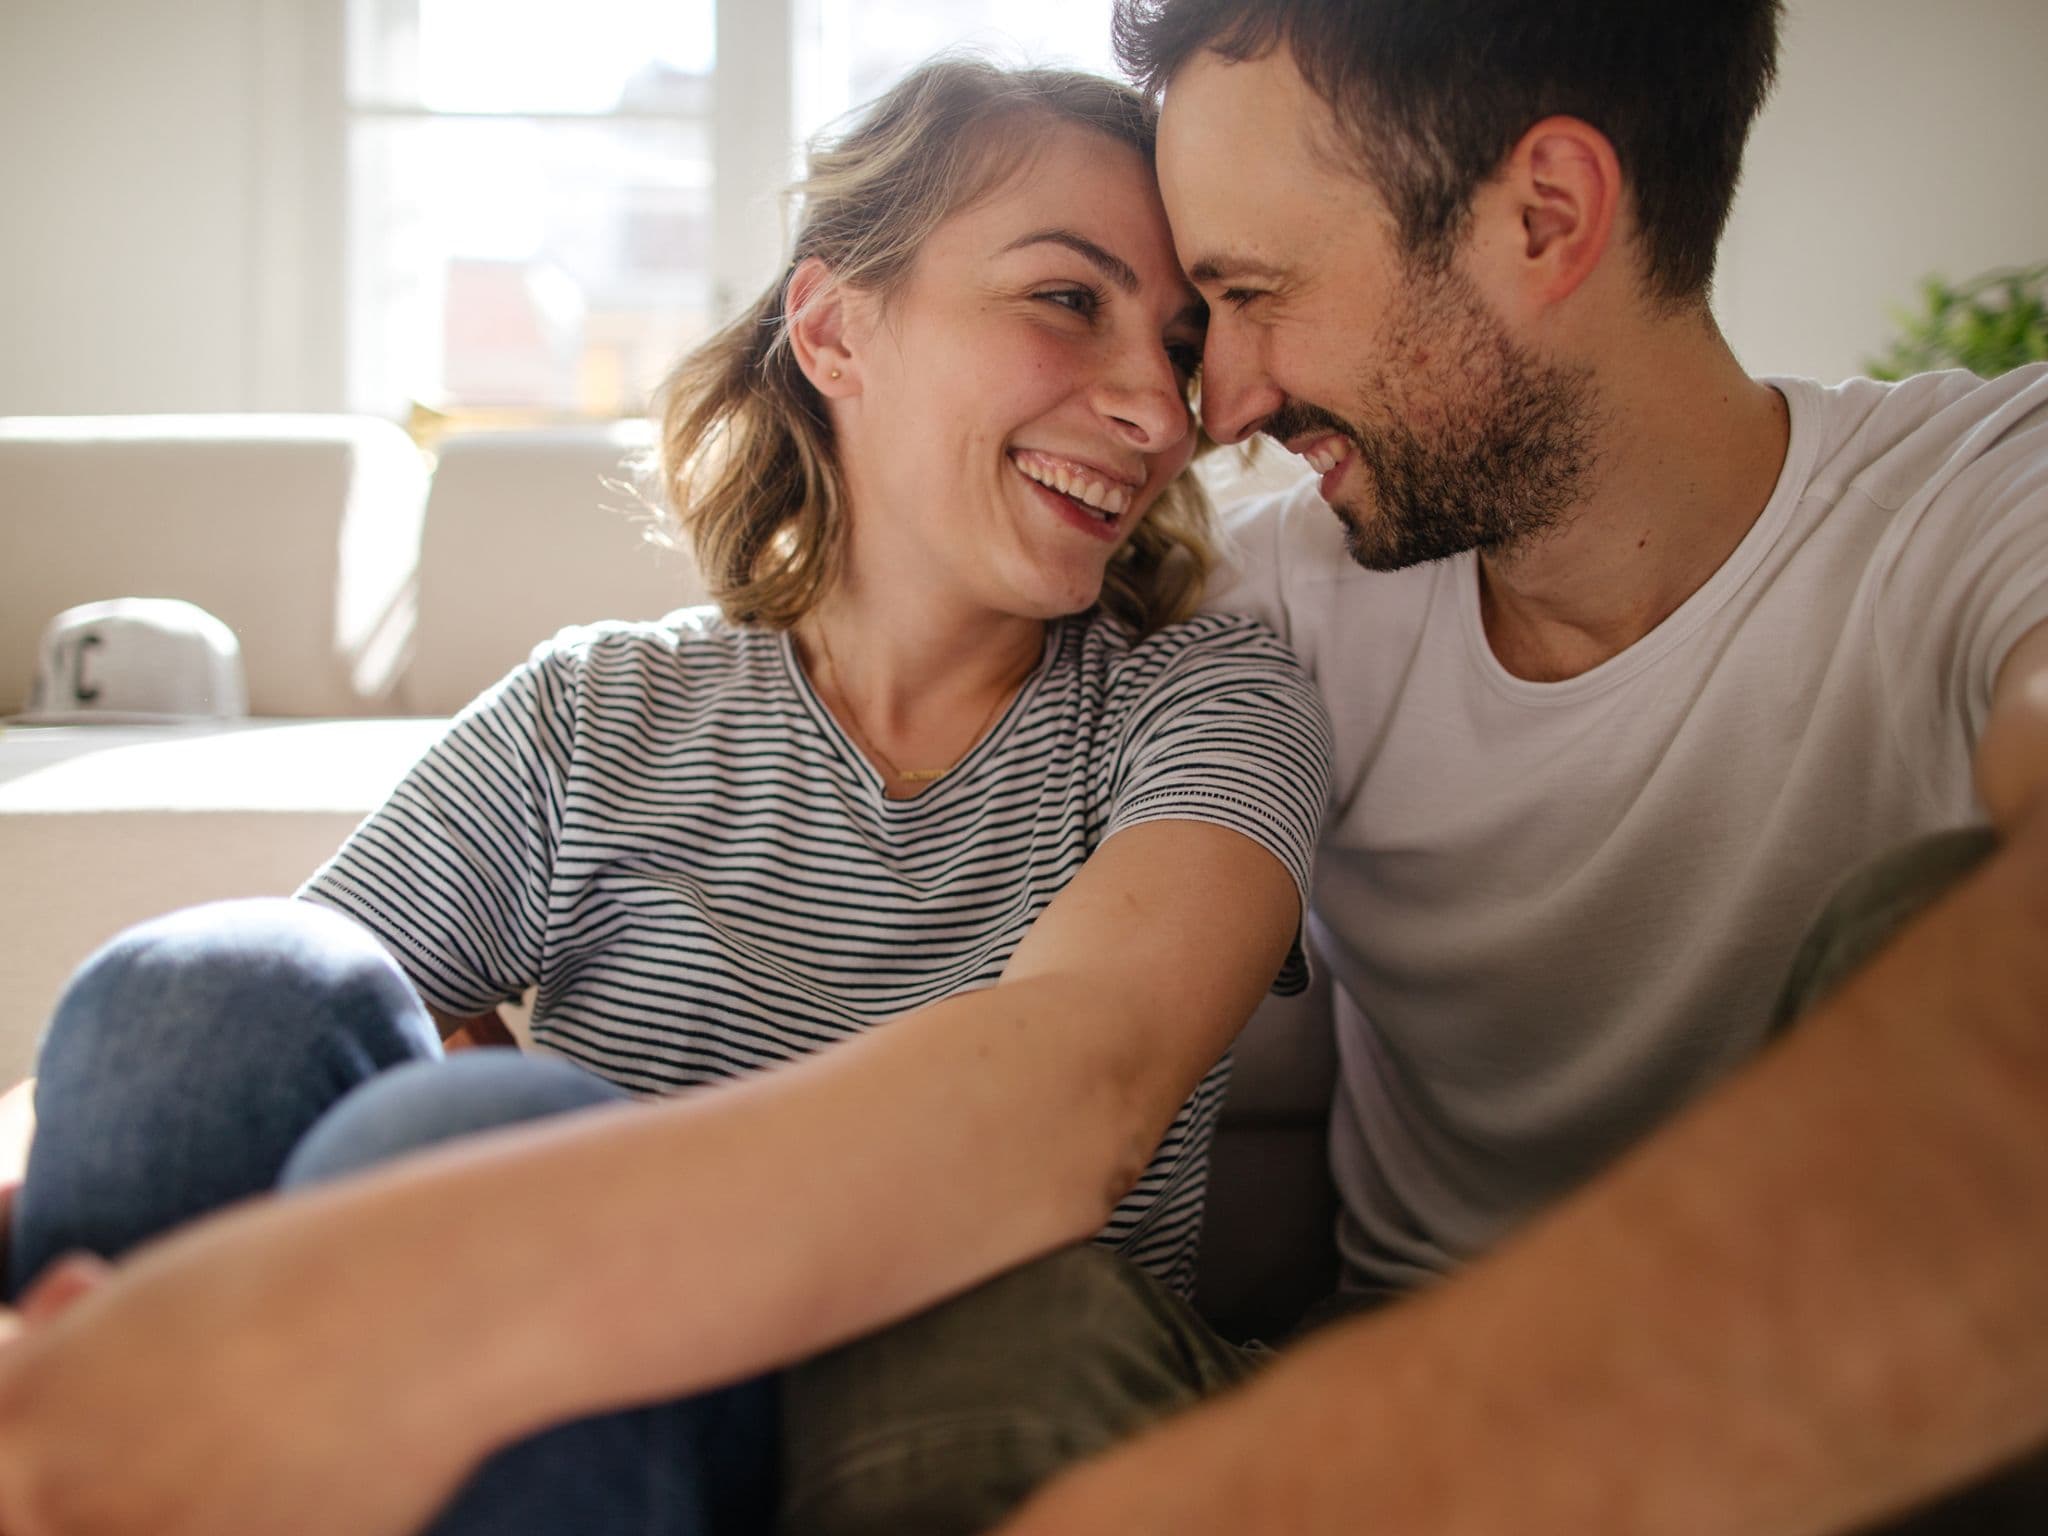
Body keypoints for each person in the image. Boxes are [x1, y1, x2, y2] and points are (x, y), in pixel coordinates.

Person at [0, 59, 1331, 1535]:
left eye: (1185, 340)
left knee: (455, 1142)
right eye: (1068, 299)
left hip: (916, 1407)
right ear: (834, 329)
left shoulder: (1209, 705)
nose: (1159, 406)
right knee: (202, 984)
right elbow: (251, 1057)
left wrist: (408, 1228)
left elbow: (1085, 1091)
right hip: (517, 1424)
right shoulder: (598, 707)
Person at [980, 2, 2048, 1533]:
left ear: (1545, 218)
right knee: (997, 1348)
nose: (1223, 408)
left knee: (1939, 910)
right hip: (1382, 1349)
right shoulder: (1268, 606)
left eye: (1257, 294)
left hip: (1874, 1451)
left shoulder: (1989, 496)